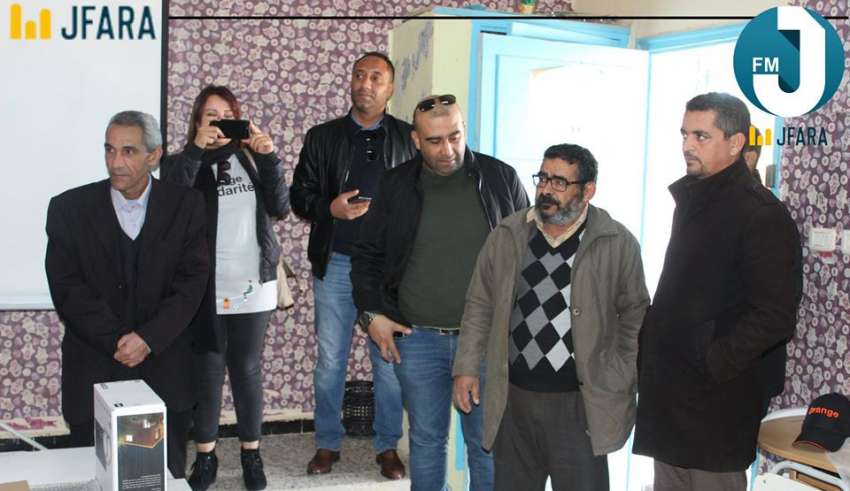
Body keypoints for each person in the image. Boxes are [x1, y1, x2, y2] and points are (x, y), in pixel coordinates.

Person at [351, 94, 529, 491]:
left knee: (486, 444)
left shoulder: (501, 178)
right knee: (427, 441)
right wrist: (372, 315)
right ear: (416, 140)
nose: (448, 150)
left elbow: (529, 255)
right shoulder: (395, 185)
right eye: (434, 141)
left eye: (455, 136)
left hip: (485, 341)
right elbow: (367, 256)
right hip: (417, 339)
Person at [452, 143, 650, 491]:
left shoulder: (616, 242)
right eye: (542, 178)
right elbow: (479, 303)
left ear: (587, 190)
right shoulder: (508, 234)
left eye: (559, 182)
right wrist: (466, 367)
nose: (546, 189)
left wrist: (620, 372)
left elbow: (636, 315)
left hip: (578, 405)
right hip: (513, 399)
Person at [633, 92, 803, 491]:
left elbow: (775, 315)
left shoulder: (760, 213)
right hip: (671, 394)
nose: (687, 145)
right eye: (684, 134)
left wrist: (713, 360)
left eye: (701, 136)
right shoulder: (693, 199)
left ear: (735, 142)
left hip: (717, 402)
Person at [45, 110, 209, 479]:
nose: (116, 162)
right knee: (92, 476)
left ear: (154, 155)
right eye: (110, 150)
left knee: (161, 477)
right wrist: (117, 340)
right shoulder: (68, 209)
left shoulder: (187, 206)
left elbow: (192, 283)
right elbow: (66, 287)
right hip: (94, 366)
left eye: (128, 151)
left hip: (165, 368)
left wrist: (148, 338)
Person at [290, 51, 416, 479]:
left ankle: (387, 447)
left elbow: (421, 200)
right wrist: (330, 208)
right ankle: (327, 443)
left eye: (376, 77)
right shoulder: (322, 137)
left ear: (391, 88)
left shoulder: (409, 139)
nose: (366, 83)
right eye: (359, 75)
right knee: (330, 361)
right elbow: (299, 196)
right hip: (338, 265)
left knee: (389, 361)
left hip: (389, 271)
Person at [161, 85, 290, 491]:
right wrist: (196, 151)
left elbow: (281, 206)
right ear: (197, 121)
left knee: (247, 370)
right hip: (203, 287)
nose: (218, 124)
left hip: (253, 283)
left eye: (226, 116)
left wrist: (269, 157)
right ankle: (206, 455)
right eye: (210, 116)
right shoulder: (182, 162)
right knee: (208, 371)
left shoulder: (250, 158)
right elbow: (169, 204)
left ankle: (251, 454)